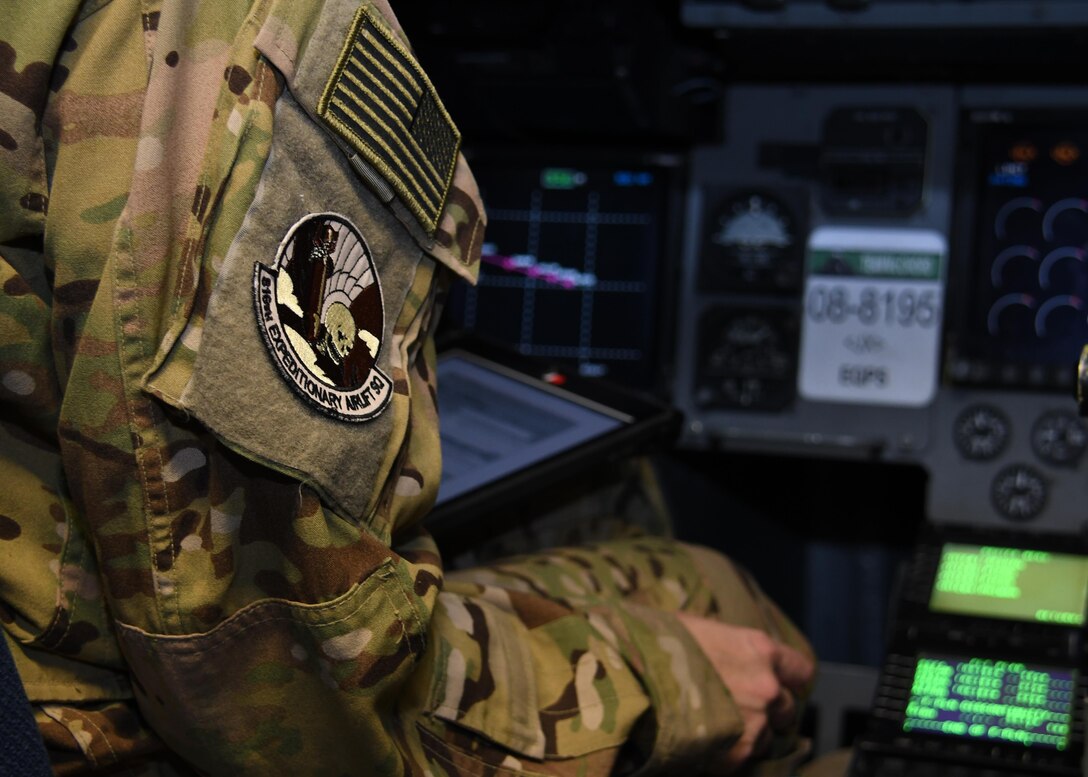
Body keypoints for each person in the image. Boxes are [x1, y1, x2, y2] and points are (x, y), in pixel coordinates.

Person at [0, 1, 815, 775]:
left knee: (603, 490)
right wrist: (671, 690)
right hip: (102, 730)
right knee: (719, 598)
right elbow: (265, 673)